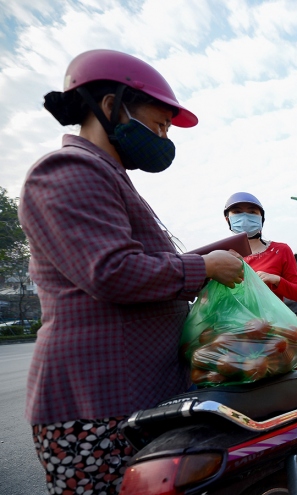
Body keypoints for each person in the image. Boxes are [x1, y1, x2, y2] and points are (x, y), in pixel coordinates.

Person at [20, 50, 245, 495]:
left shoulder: (107, 175)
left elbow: (133, 266)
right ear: (110, 105)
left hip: (131, 396)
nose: (163, 136)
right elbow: (112, 271)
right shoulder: (67, 170)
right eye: (159, 124)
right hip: (96, 405)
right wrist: (203, 268)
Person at [223, 192, 297, 304]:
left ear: (262, 219)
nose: (245, 217)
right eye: (237, 212)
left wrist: (276, 280)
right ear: (228, 220)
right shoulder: (221, 256)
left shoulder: (280, 250)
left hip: (270, 321)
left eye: (252, 212)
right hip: (230, 320)